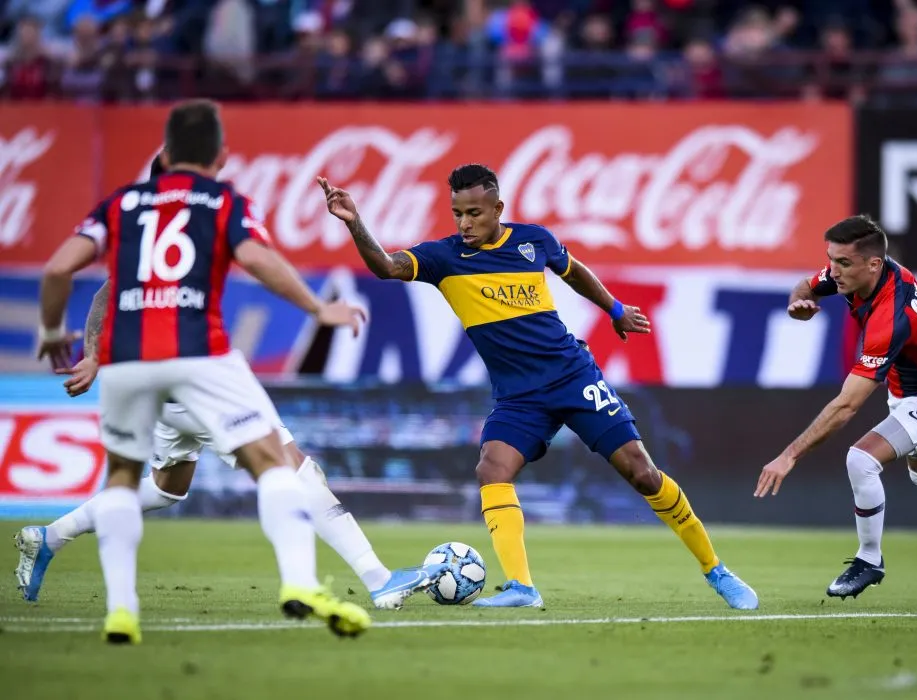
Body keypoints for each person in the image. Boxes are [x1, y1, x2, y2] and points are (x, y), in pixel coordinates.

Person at [317, 163, 758, 609]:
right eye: (458, 214)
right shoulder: (444, 257)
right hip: (519, 396)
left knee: (642, 473)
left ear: (498, 209)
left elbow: (574, 271)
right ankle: (522, 588)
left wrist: (615, 309)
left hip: (573, 376)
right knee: (492, 469)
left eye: (474, 213)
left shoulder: (533, 241)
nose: (465, 223)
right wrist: (355, 223)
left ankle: (715, 569)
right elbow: (386, 266)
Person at [17, 157, 445, 609]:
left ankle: (50, 536)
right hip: (195, 372)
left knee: (166, 486)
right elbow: (259, 261)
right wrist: (318, 308)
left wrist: (91, 354)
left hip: (148, 380)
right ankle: (378, 579)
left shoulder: (141, 223)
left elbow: (106, 291)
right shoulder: (204, 212)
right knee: (294, 468)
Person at [35, 100, 372, 644]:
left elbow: (59, 270)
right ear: (222, 156)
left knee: (124, 479)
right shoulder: (222, 201)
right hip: (198, 353)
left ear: (166, 154)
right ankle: (300, 582)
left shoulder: (120, 205)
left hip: (127, 360)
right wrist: (317, 308)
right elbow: (258, 259)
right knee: (275, 462)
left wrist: (57, 333)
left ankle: (121, 612)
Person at [754, 214, 917, 607]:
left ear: (873, 264)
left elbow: (847, 405)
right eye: (831, 260)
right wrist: (799, 302)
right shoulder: (855, 273)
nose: (833, 271)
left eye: (842, 263)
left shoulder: (891, 316)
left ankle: (869, 559)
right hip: (909, 386)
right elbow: (807, 285)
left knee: (861, 459)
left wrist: (789, 455)